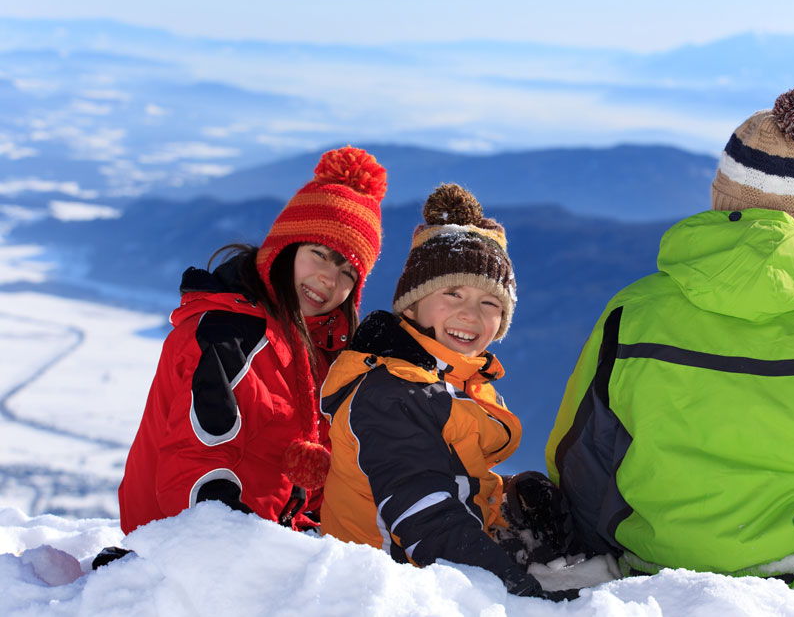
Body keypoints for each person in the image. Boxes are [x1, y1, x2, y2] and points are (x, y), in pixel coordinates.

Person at [546, 86, 794, 583]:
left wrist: (593, 545)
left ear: (719, 196)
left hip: (650, 574)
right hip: (793, 580)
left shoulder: (631, 315)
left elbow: (581, 454)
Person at [318, 184, 576, 601]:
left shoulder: (448, 376)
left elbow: (451, 471)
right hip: (388, 586)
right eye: (452, 293)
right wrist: (521, 599)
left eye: (490, 303)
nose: (470, 314)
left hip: (431, 550)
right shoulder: (390, 394)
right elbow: (425, 517)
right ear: (412, 306)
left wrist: (510, 497)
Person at [118, 146, 386, 534]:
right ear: (286, 247)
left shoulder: (318, 352)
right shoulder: (228, 338)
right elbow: (196, 467)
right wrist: (255, 557)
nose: (330, 278)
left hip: (256, 542)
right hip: (187, 550)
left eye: (348, 272)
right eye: (320, 254)